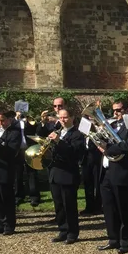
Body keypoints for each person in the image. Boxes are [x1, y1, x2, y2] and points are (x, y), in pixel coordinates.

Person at [98, 100, 128, 254]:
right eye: (113, 110)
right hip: (107, 171)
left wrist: (109, 148)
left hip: (122, 171)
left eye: (119, 110)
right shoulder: (113, 125)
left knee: (123, 208)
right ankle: (113, 239)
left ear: (127, 110)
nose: (115, 113)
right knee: (108, 208)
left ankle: (126, 241)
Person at [48, 103, 86, 244]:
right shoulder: (57, 131)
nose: (62, 120)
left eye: (65, 117)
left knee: (69, 205)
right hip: (55, 172)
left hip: (68, 173)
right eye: (60, 117)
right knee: (59, 205)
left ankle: (72, 232)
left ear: (72, 118)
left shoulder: (77, 134)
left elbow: (74, 153)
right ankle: (63, 230)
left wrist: (59, 142)